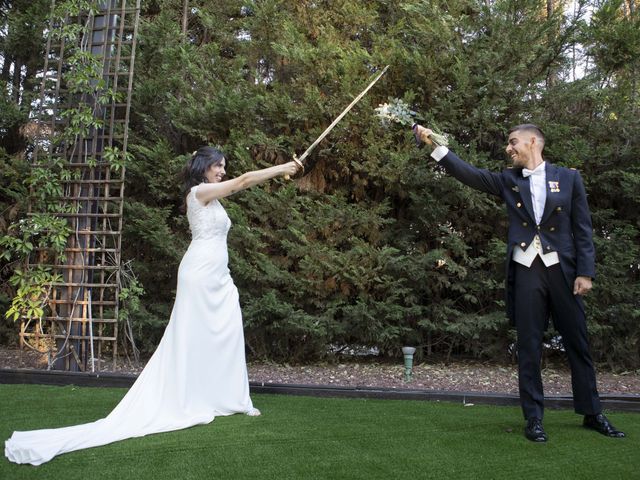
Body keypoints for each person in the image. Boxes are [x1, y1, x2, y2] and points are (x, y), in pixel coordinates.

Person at [4, 146, 302, 465]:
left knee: (227, 330)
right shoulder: (199, 193)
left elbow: (236, 184)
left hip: (220, 276)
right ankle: (191, 397)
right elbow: (242, 182)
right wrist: (281, 167)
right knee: (192, 337)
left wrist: (282, 171)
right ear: (204, 167)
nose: (223, 171)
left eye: (224, 167)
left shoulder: (212, 198)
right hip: (199, 275)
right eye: (219, 166)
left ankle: (229, 397)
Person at [413, 123, 625, 443]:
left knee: (578, 343)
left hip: (564, 272)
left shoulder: (569, 178)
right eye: (508, 144)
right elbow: (468, 173)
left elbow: (583, 229)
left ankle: (592, 413)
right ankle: (534, 419)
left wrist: (586, 272)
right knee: (528, 346)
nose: (508, 148)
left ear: (532, 141)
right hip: (526, 269)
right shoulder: (507, 180)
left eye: (513, 142)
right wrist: (432, 144)